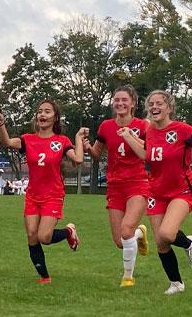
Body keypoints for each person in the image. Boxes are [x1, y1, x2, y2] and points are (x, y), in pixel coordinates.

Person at [121, 90, 192, 295]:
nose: (155, 107)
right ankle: (176, 283)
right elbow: (147, 155)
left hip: (181, 190)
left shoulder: (182, 129)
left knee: (167, 233)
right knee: (161, 241)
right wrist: (129, 137)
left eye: (159, 104)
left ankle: (189, 243)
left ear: (169, 107)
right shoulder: (149, 131)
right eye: (152, 104)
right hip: (156, 191)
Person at [0, 100, 87, 283]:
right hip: (33, 195)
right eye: (40, 112)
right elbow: (6, 142)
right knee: (32, 234)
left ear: (55, 118)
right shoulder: (27, 139)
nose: (42, 115)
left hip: (53, 195)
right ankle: (44, 277)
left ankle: (68, 232)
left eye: (47, 112)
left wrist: (78, 139)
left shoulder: (62, 141)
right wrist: (1, 124)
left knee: (44, 237)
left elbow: (78, 159)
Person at [83, 85, 150, 288]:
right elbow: (97, 154)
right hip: (115, 186)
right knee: (120, 241)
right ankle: (140, 233)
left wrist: (132, 137)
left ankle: (128, 277)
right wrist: (87, 147)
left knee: (126, 229)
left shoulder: (143, 125)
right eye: (116, 100)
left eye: (124, 100)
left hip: (138, 183)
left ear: (133, 104)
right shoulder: (105, 126)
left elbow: (150, 150)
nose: (120, 103)